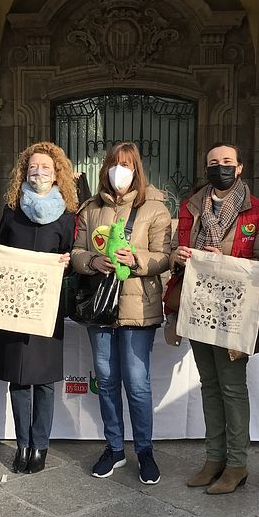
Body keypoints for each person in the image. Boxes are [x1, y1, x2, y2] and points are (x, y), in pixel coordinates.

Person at [173, 143, 259, 494]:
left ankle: (237, 464)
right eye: (213, 162)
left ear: (240, 167)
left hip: (234, 311)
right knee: (209, 385)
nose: (221, 167)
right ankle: (213, 457)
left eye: (227, 162)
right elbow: (175, 247)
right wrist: (181, 255)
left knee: (232, 387)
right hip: (199, 305)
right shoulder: (190, 207)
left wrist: (223, 261)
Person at [71, 141, 171, 484]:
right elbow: (76, 253)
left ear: (137, 170)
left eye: (127, 164)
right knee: (107, 379)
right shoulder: (89, 208)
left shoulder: (155, 209)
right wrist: (90, 261)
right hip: (99, 305)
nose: (119, 170)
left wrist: (137, 260)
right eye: (114, 163)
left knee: (138, 383)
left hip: (138, 306)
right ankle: (114, 447)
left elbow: (164, 256)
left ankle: (144, 450)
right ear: (105, 168)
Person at [0, 142, 76, 474]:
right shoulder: (12, 211)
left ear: (57, 174)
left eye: (46, 168)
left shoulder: (67, 216)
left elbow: (73, 258)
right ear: (24, 172)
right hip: (14, 307)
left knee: (45, 381)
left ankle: (41, 445)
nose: (39, 172)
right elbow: (0, 250)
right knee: (19, 378)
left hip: (47, 308)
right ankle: (22, 443)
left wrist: (68, 263)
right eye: (33, 167)